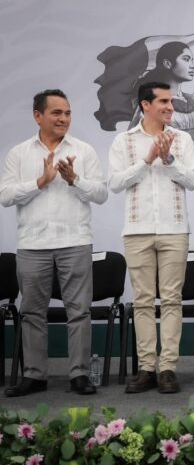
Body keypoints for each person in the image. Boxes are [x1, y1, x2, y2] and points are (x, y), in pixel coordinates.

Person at [1, 89, 107, 397]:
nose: (63, 119)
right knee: (32, 312)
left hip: (75, 240)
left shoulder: (83, 151)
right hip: (32, 243)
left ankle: (80, 374)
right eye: (56, 113)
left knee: (79, 311)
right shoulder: (19, 154)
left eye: (68, 113)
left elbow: (100, 194)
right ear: (38, 116)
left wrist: (74, 178)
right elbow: (5, 195)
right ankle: (34, 375)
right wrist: (41, 181)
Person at [109, 81, 194, 394]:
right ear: (145, 104)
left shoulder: (183, 139)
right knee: (144, 301)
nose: (170, 106)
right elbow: (116, 183)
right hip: (137, 229)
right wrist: (147, 159)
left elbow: (192, 181)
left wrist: (169, 159)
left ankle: (168, 369)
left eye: (171, 101)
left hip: (175, 229)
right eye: (163, 101)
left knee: (172, 299)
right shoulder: (124, 141)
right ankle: (146, 367)